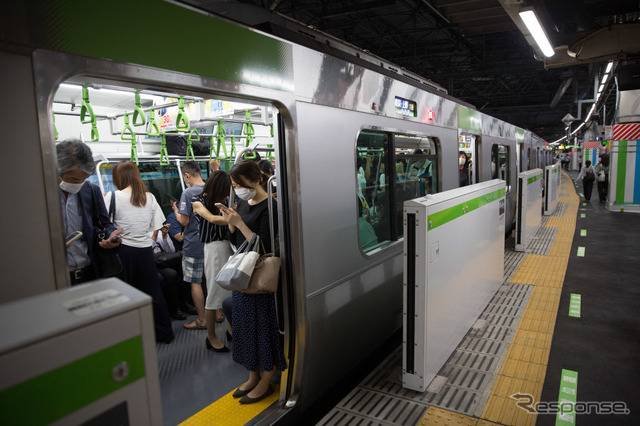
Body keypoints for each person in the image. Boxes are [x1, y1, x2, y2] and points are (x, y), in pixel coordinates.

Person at [218, 160, 286, 404]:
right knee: (245, 330)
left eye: (240, 184)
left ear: (257, 181)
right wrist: (231, 224)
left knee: (263, 331)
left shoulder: (271, 206)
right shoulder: (243, 204)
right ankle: (252, 375)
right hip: (242, 276)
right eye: (234, 185)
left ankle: (266, 381)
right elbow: (238, 239)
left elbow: (264, 245)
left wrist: (239, 224)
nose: (237, 189)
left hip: (259, 278)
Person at [105, 160, 174, 344]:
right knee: (153, 293)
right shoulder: (149, 197)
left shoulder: (112, 197)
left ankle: (128, 337)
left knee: (124, 296)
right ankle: (164, 333)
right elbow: (156, 226)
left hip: (123, 250)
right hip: (145, 250)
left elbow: (106, 225)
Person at [56, 138, 122, 285]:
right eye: (74, 178)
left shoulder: (91, 190)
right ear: (57, 169)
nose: (79, 183)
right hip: (56, 277)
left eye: (84, 179)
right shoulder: (42, 195)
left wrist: (111, 236)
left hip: (89, 272)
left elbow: (104, 223)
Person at [191, 168, 234, 352]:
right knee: (214, 293)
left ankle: (231, 329)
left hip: (229, 247)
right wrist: (239, 219)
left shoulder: (228, 201)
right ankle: (211, 336)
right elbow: (212, 219)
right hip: (214, 248)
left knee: (233, 290)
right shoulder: (197, 202)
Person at [172, 161, 207, 330]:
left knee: (196, 283)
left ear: (187, 175)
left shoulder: (187, 193)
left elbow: (184, 221)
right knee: (211, 281)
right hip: (211, 243)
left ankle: (202, 320)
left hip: (194, 245)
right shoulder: (210, 188)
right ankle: (219, 314)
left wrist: (175, 211)